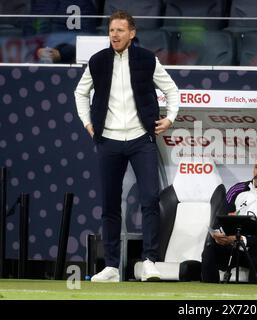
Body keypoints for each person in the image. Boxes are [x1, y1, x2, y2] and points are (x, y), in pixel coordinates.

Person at [74, 10, 179, 282]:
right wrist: (87, 123)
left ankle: (149, 262)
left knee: (150, 200)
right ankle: (111, 266)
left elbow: (172, 90)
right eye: (111, 31)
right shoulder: (97, 61)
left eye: (120, 30)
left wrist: (169, 118)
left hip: (140, 138)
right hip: (108, 140)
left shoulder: (146, 59)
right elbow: (80, 93)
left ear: (131, 33)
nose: (115, 35)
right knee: (110, 204)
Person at [201, 149, 257, 283]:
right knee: (210, 247)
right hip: (232, 248)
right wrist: (219, 233)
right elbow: (219, 220)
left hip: (256, 250)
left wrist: (240, 239)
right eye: (256, 166)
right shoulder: (237, 189)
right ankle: (207, 292)